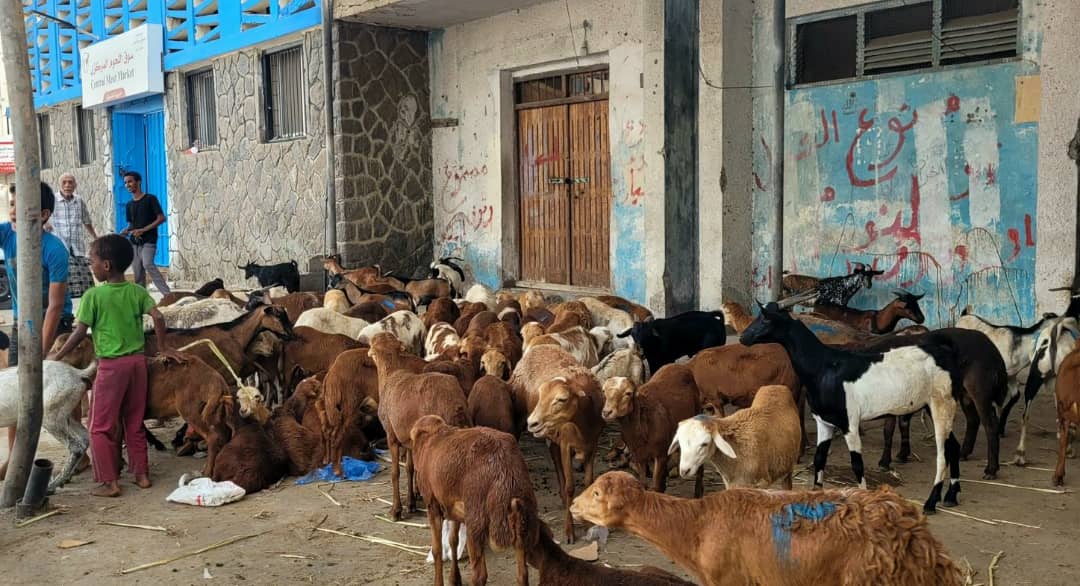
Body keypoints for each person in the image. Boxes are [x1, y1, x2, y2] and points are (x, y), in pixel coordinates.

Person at [50, 234, 182, 497]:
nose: (91, 266)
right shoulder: (137, 291)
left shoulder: (93, 296)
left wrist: (58, 354)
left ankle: (109, 482)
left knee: (99, 426)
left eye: (92, 262)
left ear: (107, 265)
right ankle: (141, 475)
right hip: (137, 364)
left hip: (111, 367)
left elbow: (79, 333)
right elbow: (158, 316)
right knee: (134, 422)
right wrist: (164, 347)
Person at [0, 182, 73, 480]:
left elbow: (55, 306)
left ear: (43, 215)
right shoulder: (7, 234)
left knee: (62, 392)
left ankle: (78, 454)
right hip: (22, 324)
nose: (13, 210)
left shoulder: (54, 249)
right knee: (18, 391)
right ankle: (16, 460)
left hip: (56, 324)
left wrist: (42, 353)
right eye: (12, 204)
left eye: (21, 205)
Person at [119, 171, 170, 295]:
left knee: (147, 264)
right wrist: (126, 230)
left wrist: (144, 230)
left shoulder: (150, 199)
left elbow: (161, 218)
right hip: (134, 242)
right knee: (137, 271)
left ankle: (168, 294)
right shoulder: (129, 205)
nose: (127, 185)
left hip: (149, 240)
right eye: (125, 183)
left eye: (130, 181)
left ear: (138, 182)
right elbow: (132, 224)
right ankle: (141, 298)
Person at [49, 173, 98, 257]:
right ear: (59, 185)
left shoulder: (79, 200)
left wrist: (95, 237)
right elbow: (42, 215)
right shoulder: (52, 200)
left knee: (80, 265)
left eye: (70, 182)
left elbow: (86, 221)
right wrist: (46, 224)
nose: (67, 185)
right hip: (59, 247)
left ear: (75, 185)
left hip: (77, 247)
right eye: (64, 182)